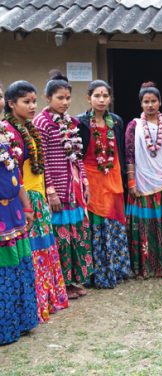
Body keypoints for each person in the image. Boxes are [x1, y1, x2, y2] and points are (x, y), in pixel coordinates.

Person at [3, 80, 69, 321]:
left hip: (37, 195)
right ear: (11, 104)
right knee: (31, 251)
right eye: (26, 102)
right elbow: (14, 174)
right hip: (23, 199)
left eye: (33, 101)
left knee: (44, 246)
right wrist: (27, 204)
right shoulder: (8, 132)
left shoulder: (28, 128)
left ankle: (47, 299)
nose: (32, 106)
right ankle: (36, 302)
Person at [33, 73, 92, 301]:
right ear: (48, 97)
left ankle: (73, 280)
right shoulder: (42, 123)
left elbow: (77, 155)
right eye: (60, 98)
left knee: (75, 234)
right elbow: (43, 159)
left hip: (73, 186)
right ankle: (62, 284)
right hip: (57, 187)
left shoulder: (69, 121)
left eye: (68, 98)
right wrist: (50, 190)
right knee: (60, 236)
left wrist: (84, 180)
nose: (65, 102)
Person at [125, 82, 162, 278]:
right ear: (140, 104)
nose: (150, 105)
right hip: (142, 182)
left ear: (160, 102)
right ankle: (146, 268)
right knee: (145, 225)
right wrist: (131, 183)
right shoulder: (133, 125)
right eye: (146, 101)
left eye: (154, 101)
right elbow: (130, 155)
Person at [77, 80, 131, 288]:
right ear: (88, 98)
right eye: (97, 96)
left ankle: (117, 268)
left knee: (115, 223)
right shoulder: (80, 122)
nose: (101, 100)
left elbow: (121, 152)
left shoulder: (116, 121)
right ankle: (96, 273)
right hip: (91, 179)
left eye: (105, 96)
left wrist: (126, 178)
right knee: (95, 225)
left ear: (110, 98)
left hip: (113, 177)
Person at [0, 83, 39, 344]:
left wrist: (26, 205)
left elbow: (17, 176)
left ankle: (19, 323)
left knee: (19, 267)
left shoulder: (6, 132)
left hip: (14, 209)